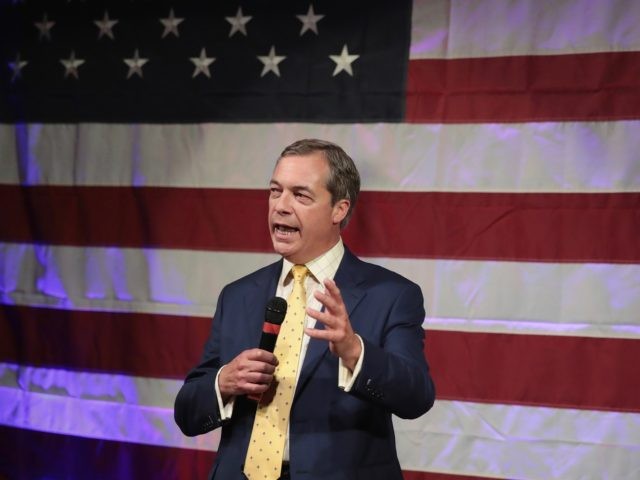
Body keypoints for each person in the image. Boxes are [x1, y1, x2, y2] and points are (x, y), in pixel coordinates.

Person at [174, 139, 436, 480]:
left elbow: (417, 398)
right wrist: (225, 382)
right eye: (274, 191)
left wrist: (355, 351)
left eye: (300, 195)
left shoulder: (391, 295)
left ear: (339, 210)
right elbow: (187, 413)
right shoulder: (238, 295)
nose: (280, 206)